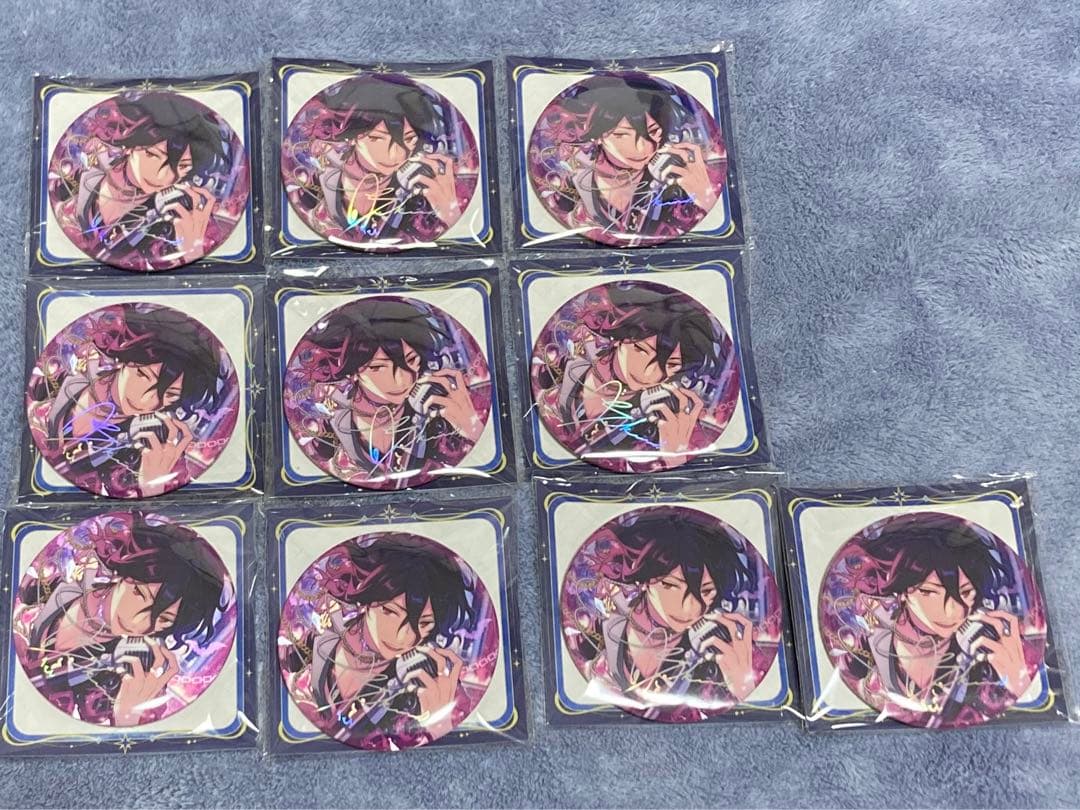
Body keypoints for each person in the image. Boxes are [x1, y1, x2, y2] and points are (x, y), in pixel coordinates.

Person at [16, 514, 229, 727]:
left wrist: (127, 716)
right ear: (123, 573)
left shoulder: (139, 670)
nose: (139, 623)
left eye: (164, 619)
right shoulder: (61, 576)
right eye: (139, 593)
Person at [281, 536, 478, 747]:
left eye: (424, 623)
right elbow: (286, 659)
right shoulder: (330, 630)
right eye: (390, 611)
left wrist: (439, 722)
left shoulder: (431, 679)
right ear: (368, 599)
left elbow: (454, 744)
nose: (403, 638)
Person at [843, 513, 1033, 726]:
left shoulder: (986, 651)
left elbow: (1019, 711)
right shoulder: (869, 637)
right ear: (903, 591)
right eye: (929, 592)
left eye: (966, 592)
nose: (952, 612)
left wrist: (1017, 682)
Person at [568, 509, 762, 712]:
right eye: (671, 585)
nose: (691, 609)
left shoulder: (720, 648)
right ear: (645, 579)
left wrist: (743, 687)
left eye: (706, 591)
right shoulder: (602, 623)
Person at [27, 303, 228, 497]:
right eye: (144, 375)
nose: (147, 402)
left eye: (170, 395)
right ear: (126, 359)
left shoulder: (152, 449)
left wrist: (151, 485)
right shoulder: (63, 373)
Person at [535, 282, 734, 467]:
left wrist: (675, 454)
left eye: (672, 365)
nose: (650, 375)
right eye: (642, 350)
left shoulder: (666, 419)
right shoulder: (568, 371)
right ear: (620, 338)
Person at [291, 297, 484, 486]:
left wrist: (471, 428)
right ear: (352, 371)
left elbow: (477, 468)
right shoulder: (329, 417)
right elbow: (309, 473)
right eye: (378, 367)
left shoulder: (439, 411)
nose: (402, 380)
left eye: (412, 360)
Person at [50, 92, 230, 267]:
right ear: (130, 146)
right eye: (153, 155)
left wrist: (192, 251)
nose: (164, 177)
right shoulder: (90, 170)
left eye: (183, 166)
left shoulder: (184, 215)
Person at [533, 75, 719, 240]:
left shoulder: (674, 177)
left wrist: (704, 194)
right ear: (597, 136)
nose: (644, 148)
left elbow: (708, 227)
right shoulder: (575, 178)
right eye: (622, 134)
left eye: (653, 131)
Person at [289, 76, 466, 243]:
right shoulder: (316, 182)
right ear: (352, 136)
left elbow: (456, 241)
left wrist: (449, 212)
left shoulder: (421, 194)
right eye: (377, 138)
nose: (396, 155)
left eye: (410, 139)